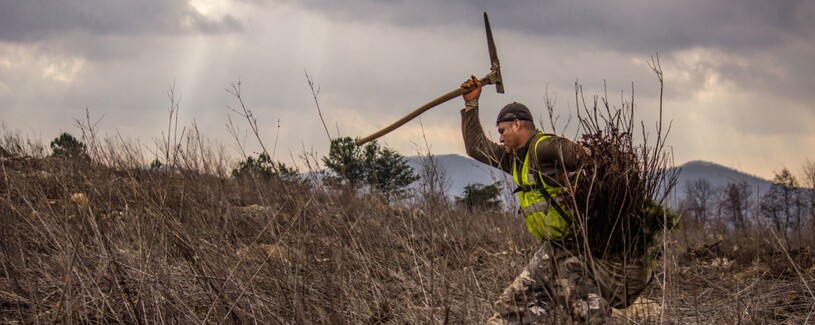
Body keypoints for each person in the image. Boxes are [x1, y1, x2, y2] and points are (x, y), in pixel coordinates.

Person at [459, 75, 650, 324]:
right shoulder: (514, 158)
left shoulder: (544, 147)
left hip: (578, 248)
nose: (500, 138)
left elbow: (597, 160)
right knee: (513, 307)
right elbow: (477, 148)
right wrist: (471, 104)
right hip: (554, 249)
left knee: (587, 314)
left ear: (517, 124)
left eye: (502, 131)